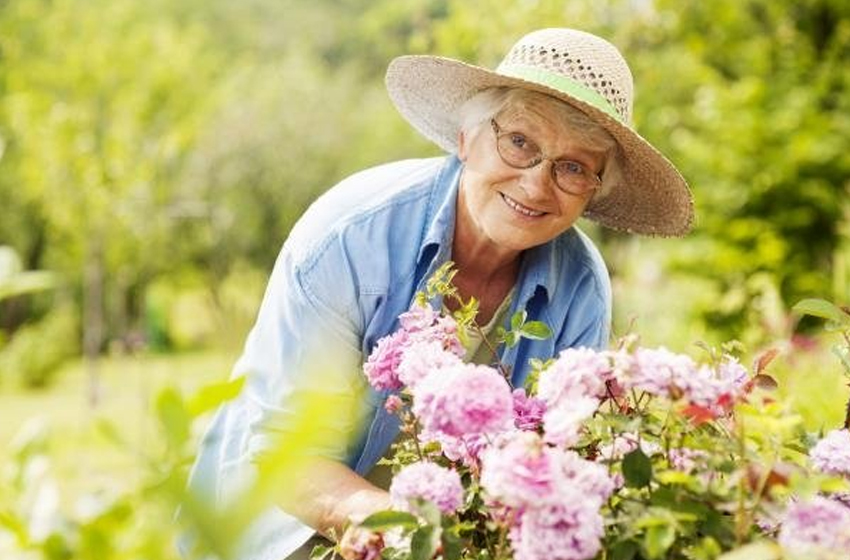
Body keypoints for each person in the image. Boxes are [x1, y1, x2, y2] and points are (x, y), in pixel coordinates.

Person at [185, 27, 693, 560]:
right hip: (276, 532)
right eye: (520, 142)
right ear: (466, 138)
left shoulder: (581, 288)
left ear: (593, 191)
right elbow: (283, 456)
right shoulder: (353, 237)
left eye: (573, 168)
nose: (537, 184)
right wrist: (403, 531)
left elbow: (553, 462)